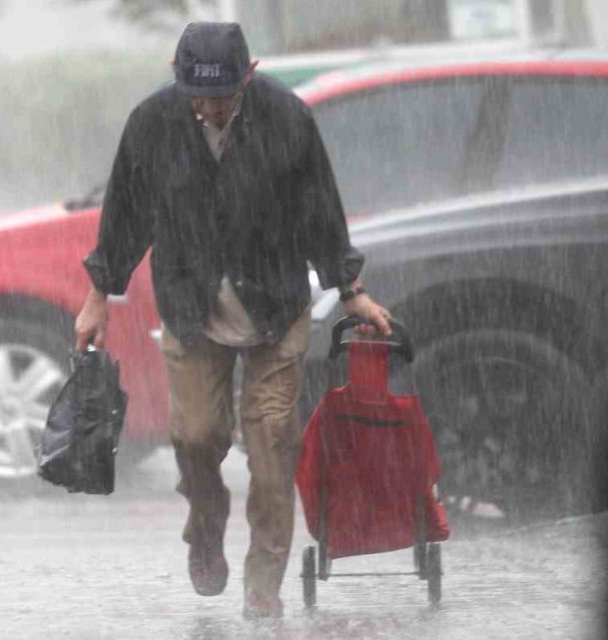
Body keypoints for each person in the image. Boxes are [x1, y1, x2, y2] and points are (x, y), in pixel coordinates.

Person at [74, 22, 392, 619]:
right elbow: (124, 216)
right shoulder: (152, 125)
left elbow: (322, 209)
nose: (213, 108)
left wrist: (351, 289)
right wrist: (98, 295)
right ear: (180, 78)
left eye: (224, 97)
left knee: (273, 441)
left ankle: (262, 586)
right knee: (195, 438)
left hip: (274, 304)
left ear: (249, 76)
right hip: (192, 308)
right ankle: (206, 524)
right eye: (200, 97)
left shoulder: (287, 119)